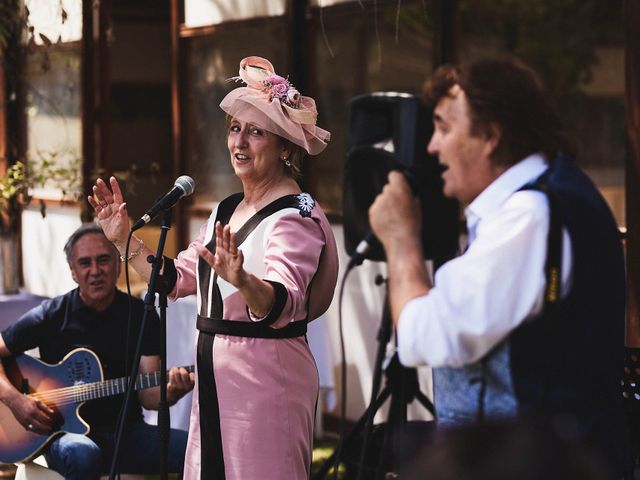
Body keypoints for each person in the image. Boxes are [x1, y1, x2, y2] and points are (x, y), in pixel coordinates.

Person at [368, 57, 629, 477]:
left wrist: (401, 241)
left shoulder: (528, 217)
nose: (432, 146)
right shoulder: (543, 201)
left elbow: (423, 336)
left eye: (444, 127)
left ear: (490, 136)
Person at [89, 56, 339, 480]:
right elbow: (176, 277)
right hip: (217, 381)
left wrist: (242, 279)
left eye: (257, 132)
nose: (240, 142)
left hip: (266, 380)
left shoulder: (296, 214)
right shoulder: (227, 208)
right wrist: (123, 240)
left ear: (285, 148)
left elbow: (282, 301)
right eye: (236, 129)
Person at [0, 223, 195, 479]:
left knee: (192, 449)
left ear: (117, 264)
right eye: (85, 263)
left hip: (126, 432)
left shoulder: (141, 315)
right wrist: (17, 401)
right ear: (73, 271)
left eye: (103, 260)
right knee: (84, 454)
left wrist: (170, 393)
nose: (95, 271)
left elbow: (149, 396)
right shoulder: (51, 314)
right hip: (62, 433)